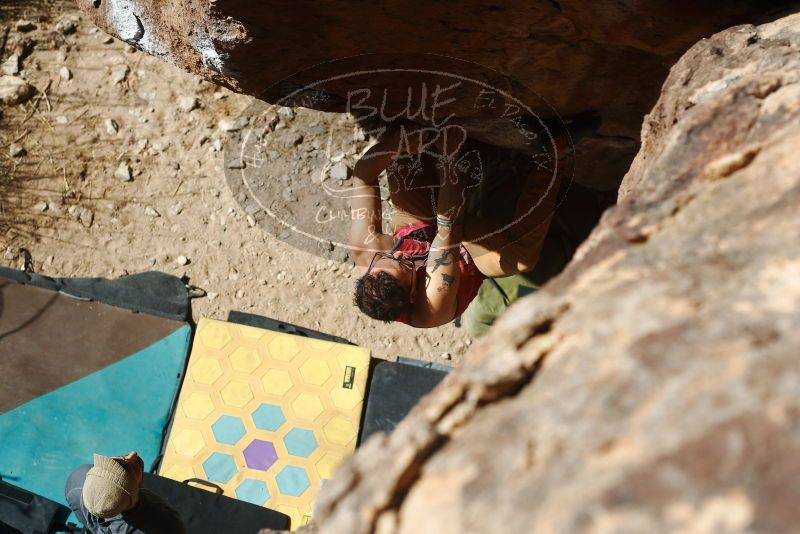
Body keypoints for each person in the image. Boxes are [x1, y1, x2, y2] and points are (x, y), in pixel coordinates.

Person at [350, 122, 562, 327]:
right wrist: (449, 159)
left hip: (418, 227)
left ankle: (419, 121)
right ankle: (553, 158)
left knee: (401, 157)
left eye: (388, 257)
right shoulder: (433, 300)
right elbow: (450, 226)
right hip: (464, 254)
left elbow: (363, 178)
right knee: (520, 258)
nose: (400, 254)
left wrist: (393, 147)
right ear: (413, 294)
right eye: (405, 265)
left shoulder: (367, 251)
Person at [65, 451, 186, 534]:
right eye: (124, 464)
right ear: (135, 493)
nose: (132, 454)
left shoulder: (76, 484)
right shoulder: (167, 523)